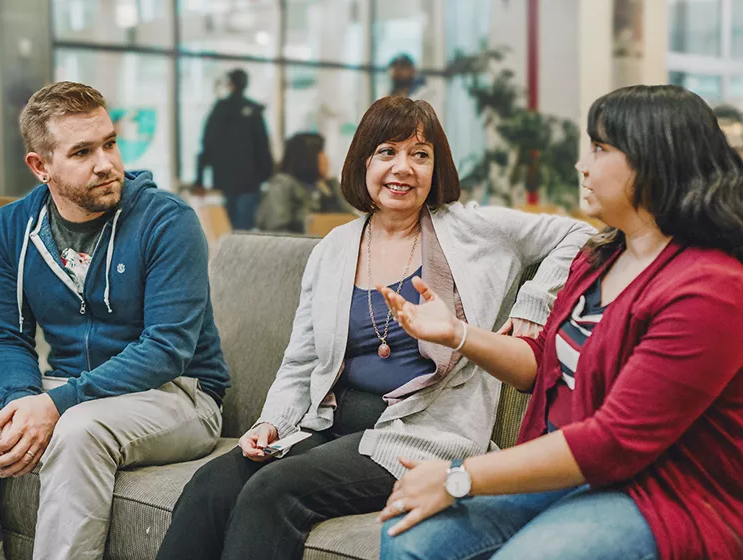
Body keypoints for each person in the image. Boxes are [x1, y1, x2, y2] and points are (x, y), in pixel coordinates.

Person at [157, 96, 595, 560]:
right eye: (387, 152)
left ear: (436, 167)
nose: (402, 168)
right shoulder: (335, 248)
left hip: (417, 434)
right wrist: (271, 423)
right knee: (214, 483)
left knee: (274, 491)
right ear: (364, 162)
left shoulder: (475, 230)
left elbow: (582, 235)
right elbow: (301, 358)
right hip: (329, 426)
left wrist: (534, 300)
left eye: (419, 155)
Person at [377, 85, 743, 560]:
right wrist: (457, 334)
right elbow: (542, 363)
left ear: (655, 161)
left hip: (659, 492)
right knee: (408, 532)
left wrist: (458, 475)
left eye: (599, 148)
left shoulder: (711, 289)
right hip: (566, 471)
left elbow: (613, 441)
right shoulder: (600, 257)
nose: (582, 165)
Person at [0, 81, 230, 560]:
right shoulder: (12, 227)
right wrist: (23, 401)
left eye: (110, 143)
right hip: (68, 385)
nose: (106, 163)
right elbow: (5, 337)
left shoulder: (167, 220)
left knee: (78, 430)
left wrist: (56, 405)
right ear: (41, 166)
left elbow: (168, 348)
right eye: (82, 151)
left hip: (179, 393)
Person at [195, 68, 274, 230]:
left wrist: (200, 179)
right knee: (244, 230)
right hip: (250, 181)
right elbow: (263, 147)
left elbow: (207, 144)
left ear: (230, 84)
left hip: (224, 180)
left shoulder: (219, 110)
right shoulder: (253, 111)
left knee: (226, 229)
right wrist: (266, 175)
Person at [256, 132, 353, 233]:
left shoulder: (324, 187)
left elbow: (349, 220)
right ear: (307, 157)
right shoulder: (282, 185)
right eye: (321, 153)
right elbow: (275, 230)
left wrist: (333, 186)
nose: (326, 158)